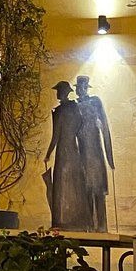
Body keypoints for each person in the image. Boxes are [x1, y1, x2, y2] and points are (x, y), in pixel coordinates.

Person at [43, 81, 90, 230]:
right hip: (73, 148)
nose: (57, 94)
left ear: (64, 92)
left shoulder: (59, 111)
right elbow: (80, 125)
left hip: (63, 151)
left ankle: (62, 220)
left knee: (62, 184)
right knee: (75, 182)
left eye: (59, 91)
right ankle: (77, 219)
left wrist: (48, 153)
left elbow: (55, 135)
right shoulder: (75, 107)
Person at [75, 75, 114, 231]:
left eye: (83, 87)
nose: (80, 90)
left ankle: (101, 226)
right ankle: (89, 226)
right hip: (82, 152)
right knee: (85, 189)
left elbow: (104, 126)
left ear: (86, 88)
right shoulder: (74, 106)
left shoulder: (95, 102)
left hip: (95, 152)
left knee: (98, 189)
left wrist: (109, 156)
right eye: (78, 87)